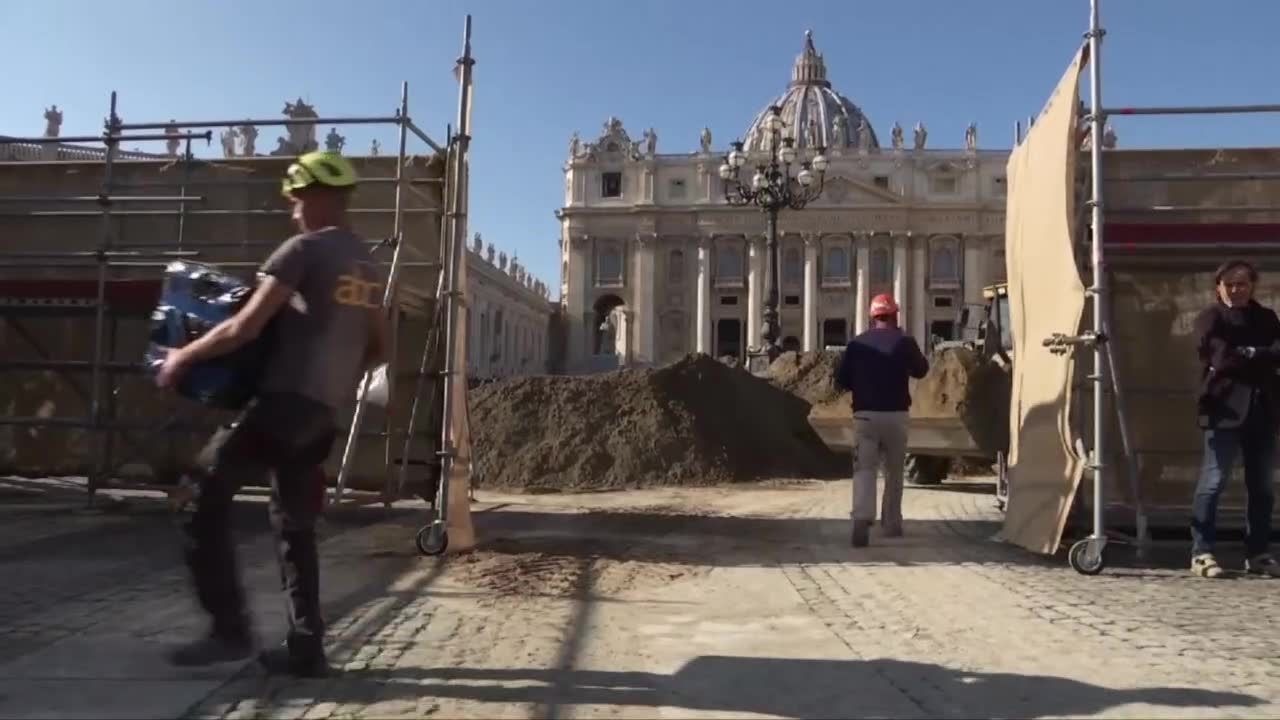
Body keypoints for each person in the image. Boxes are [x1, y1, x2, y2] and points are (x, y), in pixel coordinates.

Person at [155, 150, 390, 675]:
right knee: (294, 526)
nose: (292, 210)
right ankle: (307, 648)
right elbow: (379, 346)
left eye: (295, 199)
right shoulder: (365, 263)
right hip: (322, 415)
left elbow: (243, 327)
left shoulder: (301, 250)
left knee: (197, 496)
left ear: (312, 197)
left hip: (283, 405)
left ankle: (229, 631)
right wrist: (335, 380)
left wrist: (182, 357)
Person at [1190, 259, 1280, 579]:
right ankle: (1202, 552)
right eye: (1229, 284)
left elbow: (1277, 351)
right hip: (1223, 411)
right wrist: (1259, 355)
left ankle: (1258, 553)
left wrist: (1250, 353)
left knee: (1263, 487)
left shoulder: (1267, 318)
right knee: (1213, 482)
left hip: (1263, 412)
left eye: (1242, 283)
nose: (1236, 289)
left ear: (1253, 285)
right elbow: (1221, 357)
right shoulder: (1209, 318)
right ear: (1218, 287)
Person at [833, 294, 930, 547]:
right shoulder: (904, 342)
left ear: (872, 317)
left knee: (864, 468)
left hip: (865, 416)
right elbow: (921, 370)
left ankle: (862, 518)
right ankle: (892, 523)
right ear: (895, 315)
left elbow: (841, 380)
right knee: (894, 471)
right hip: (896, 416)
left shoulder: (857, 344)